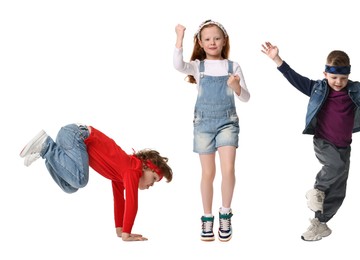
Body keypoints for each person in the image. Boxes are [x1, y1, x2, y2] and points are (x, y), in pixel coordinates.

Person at [261, 41, 360, 241]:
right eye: (333, 77)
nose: (338, 82)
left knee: (339, 189)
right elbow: (294, 78)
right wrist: (277, 59)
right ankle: (317, 190)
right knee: (335, 166)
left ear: (349, 76)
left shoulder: (355, 90)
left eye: (343, 78)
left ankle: (320, 223)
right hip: (323, 142)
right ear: (325, 75)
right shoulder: (317, 88)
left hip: (344, 146)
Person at [18, 124, 173, 242]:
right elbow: (132, 203)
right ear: (146, 166)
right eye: (153, 179)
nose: (151, 185)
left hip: (70, 140)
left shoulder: (121, 175)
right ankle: (46, 144)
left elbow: (120, 201)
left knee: (70, 187)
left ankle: (46, 153)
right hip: (75, 135)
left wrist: (120, 230)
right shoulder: (132, 170)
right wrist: (127, 234)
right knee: (80, 179)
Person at [173, 19, 250, 242]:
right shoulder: (199, 66)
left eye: (217, 38)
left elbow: (245, 97)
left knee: (228, 169)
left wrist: (236, 86)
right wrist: (179, 37)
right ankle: (207, 217)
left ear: (224, 40)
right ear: (200, 42)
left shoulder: (232, 66)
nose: (212, 42)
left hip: (227, 122)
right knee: (208, 173)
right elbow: (178, 65)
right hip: (203, 124)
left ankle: (225, 212)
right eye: (207, 39)